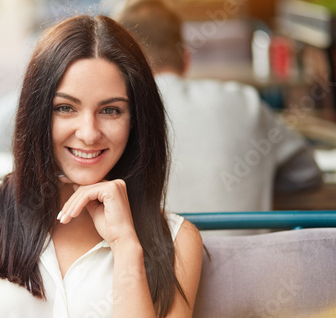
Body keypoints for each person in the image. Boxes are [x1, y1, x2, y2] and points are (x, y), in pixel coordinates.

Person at [0, 15, 203, 318]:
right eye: (66, 108)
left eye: (111, 110)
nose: (89, 133)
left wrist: (125, 247)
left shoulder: (177, 242)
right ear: (38, 112)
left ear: (136, 120)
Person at [116, 0, 322, 213]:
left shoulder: (118, 117)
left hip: (158, 246)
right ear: (186, 59)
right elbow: (307, 174)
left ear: (123, 65)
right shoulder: (245, 100)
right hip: (251, 246)